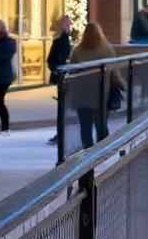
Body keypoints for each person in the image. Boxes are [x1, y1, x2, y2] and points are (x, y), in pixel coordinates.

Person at [69, 22, 125, 149]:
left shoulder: (78, 50)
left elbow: (72, 71)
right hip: (100, 94)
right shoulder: (106, 49)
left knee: (85, 127)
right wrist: (123, 85)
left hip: (82, 95)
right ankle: (102, 151)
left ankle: (87, 153)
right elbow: (114, 72)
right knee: (101, 126)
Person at [45, 15, 73, 146]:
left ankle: (67, 133)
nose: (65, 26)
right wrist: (56, 69)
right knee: (62, 107)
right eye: (63, 23)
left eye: (67, 23)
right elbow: (51, 60)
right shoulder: (58, 42)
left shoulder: (75, 41)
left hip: (73, 78)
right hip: (62, 78)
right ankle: (60, 134)